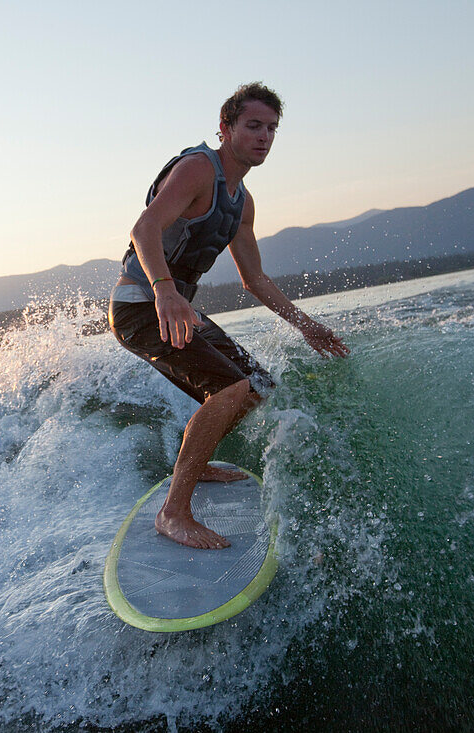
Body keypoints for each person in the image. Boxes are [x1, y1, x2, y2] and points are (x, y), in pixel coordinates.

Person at [109, 82, 350, 550]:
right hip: (140, 305)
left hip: (173, 305)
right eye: (253, 125)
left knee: (256, 387)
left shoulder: (242, 202)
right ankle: (172, 513)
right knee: (228, 387)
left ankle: (193, 463)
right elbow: (144, 228)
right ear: (226, 128)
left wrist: (307, 325)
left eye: (272, 129)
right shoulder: (199, 169)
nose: (264, 137)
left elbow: (254, 279)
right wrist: (165, 292)